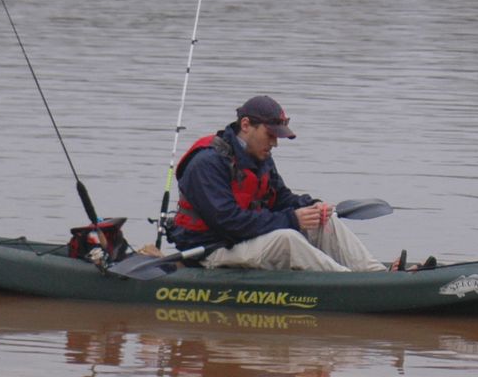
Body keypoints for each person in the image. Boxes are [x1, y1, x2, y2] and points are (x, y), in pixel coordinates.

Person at [170, 95, 404, 272]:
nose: (275, 143)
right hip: (210, 250)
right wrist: (292, 219)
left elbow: (280, 199)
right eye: (270, 135)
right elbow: (228, 222)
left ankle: (377, 274)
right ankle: (357, 286)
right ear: (245, 125)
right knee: (287, 239)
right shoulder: (206, 163)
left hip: (243, 239)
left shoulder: (259, 157)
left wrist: (312, 206)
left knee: (323, 220)